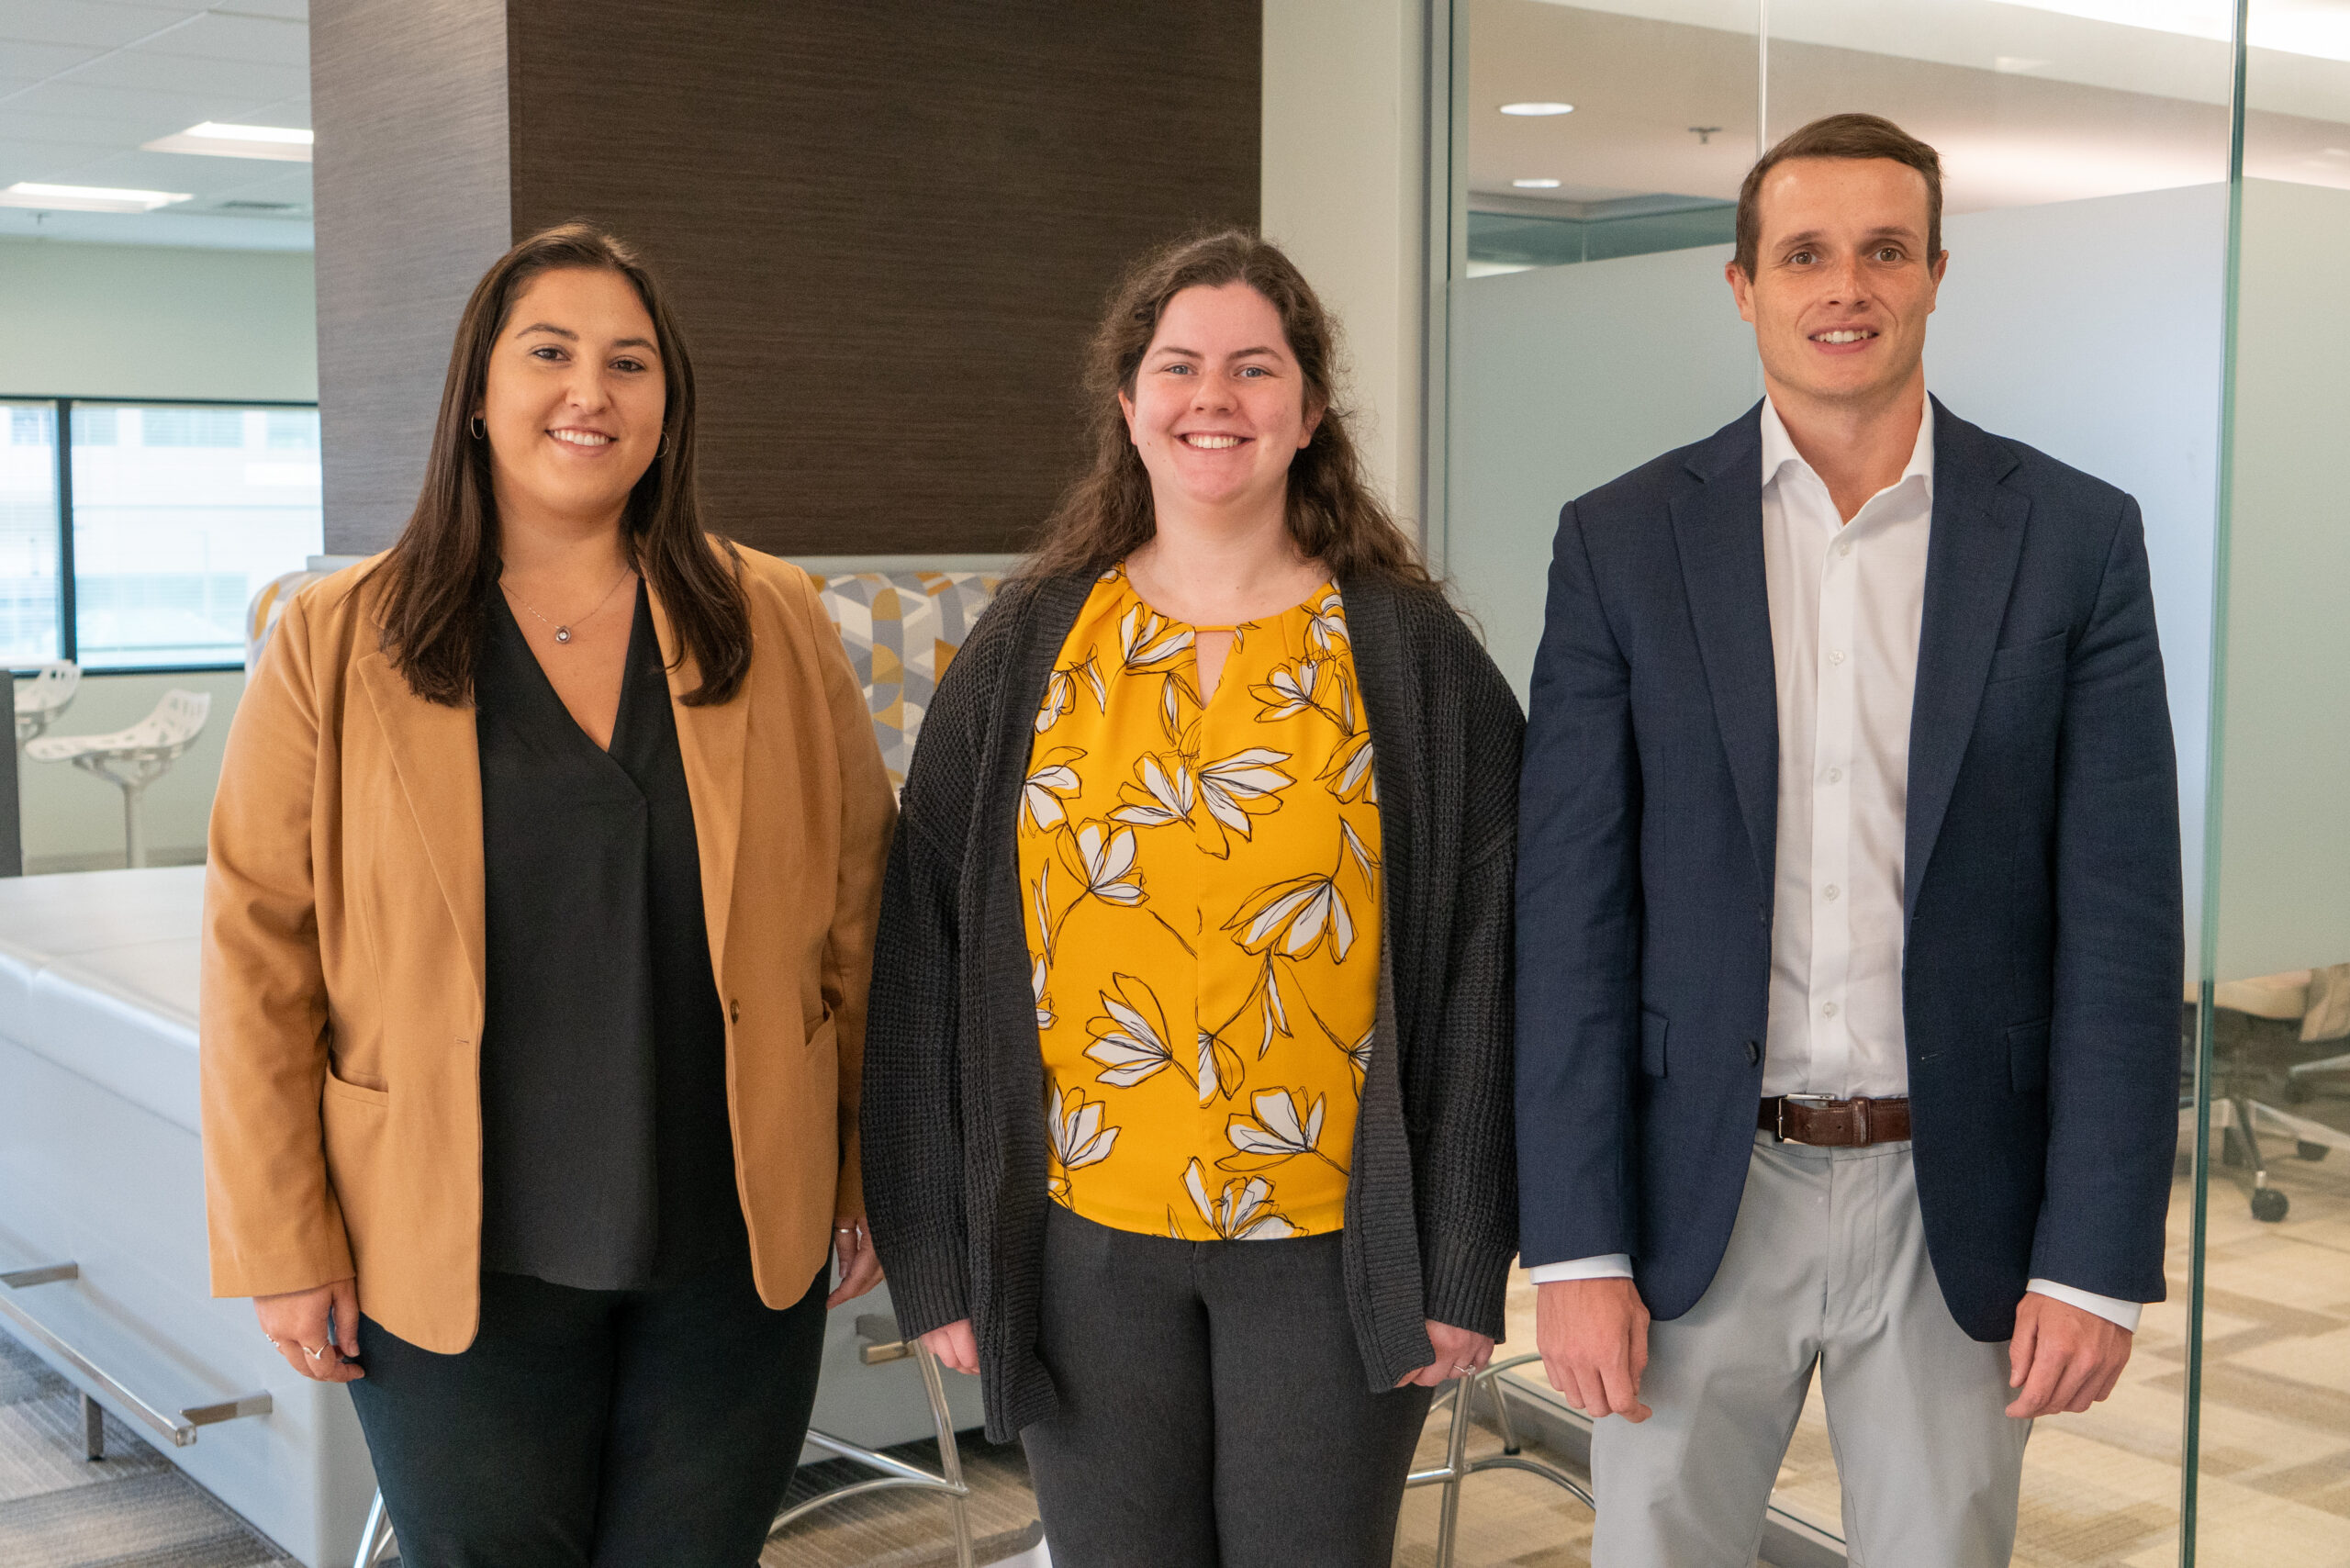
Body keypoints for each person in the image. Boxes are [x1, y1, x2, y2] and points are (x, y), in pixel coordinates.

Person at [1515, 114, 2182, 1567]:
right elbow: (1569, 920)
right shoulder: (1620, 543)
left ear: (1937, 274)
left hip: (1960, 1201)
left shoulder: (2074, 537)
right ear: (1742, 286)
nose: (1847, 286)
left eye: (1885, 251)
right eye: (1804, 253)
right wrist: (1575, 1250)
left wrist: (2098, 1258)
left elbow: (2123, 929)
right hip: (1699, 1196)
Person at [201, 222, 895, 1567]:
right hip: (449, 1246)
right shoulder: (337, 640)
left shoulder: (774, 619)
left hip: (733, 1235)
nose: (593, 391)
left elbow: (861, 917)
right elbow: (258, 955)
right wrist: (285, 1239)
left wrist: (869, 1167)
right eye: (552, 353)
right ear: (477, 392)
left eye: (630, 362)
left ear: (666, 404)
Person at [860, 230, 1521, 1567]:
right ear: (1128, 404)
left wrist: (1461, 1261)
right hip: (1081, 1247)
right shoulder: (1030, 644)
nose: (1212, 398)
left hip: (1333, 1251)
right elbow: (923, 958)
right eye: (1179, 367)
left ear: (1310, 410)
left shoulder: (1407, 654)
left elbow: (1492, 973)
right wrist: (936, 1252)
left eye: (1253, 368)